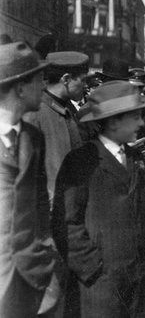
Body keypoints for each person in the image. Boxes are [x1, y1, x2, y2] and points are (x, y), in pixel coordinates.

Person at [54, 81, 145, 317]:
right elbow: (66, 223)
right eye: (135, 117)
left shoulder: (135, 158)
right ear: (113, 121)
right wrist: (92, 271)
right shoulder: (80, 161)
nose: (142, 123)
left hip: (142, 282)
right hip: (100, 289)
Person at [0, 41, 61, 317]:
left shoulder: (32, 138)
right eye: (39, 80)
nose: (43, 86)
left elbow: (38, 205)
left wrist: (45, 256)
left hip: (32, 275)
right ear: (20, 88)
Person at [24, 51, 89, 206]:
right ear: (66, 79)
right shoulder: (35, 112)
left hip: (69, 208)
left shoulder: (66, 109)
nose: (86, 86)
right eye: (83, 80)